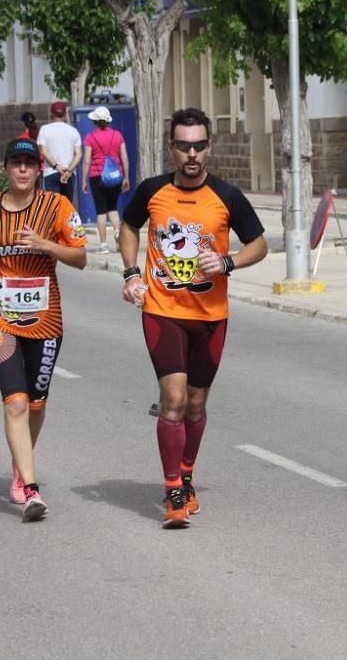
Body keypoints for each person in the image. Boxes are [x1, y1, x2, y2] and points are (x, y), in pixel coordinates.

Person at [120, 108, 268, 529]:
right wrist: (132, 273)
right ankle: (172, 491)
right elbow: (129, 228)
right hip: (162, 311)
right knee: (175, 400)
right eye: (183, 145)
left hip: (210, 316)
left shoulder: (227, 196)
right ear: (171, 148)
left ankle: (186, 473)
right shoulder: (152, 191)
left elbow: (258, 244)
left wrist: (228, 263)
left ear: (209, 148)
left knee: (197, 404)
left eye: (199, 145)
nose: (191, 154)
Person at [0, 138, 88, 521]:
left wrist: (47, 245)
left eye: (29, 164)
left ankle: (21, 466)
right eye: (15, 163)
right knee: (15, 401)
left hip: (45, 320)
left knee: (36, 404)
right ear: (5, 168)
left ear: (39, 170)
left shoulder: (57, 206)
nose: (22, 170)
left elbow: (81, 258)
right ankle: (32, 491)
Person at [81, 105, 130, 254]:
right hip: (115, 176)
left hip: (97, 176)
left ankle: (103, 245)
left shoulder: (90, 137)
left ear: (95, 121)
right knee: (113, 208)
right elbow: (125, 158)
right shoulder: (117, 135)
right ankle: (117, 232)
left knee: (101, 211)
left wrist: (83, 180)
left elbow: (87, 161)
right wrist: (126, 177)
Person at [36, 101, 81, 205]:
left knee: (52, 207)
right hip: (69, 174)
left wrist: (57, 166)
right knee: (66, 207)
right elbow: (78, 154)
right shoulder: (73, 131)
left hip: (51, 172)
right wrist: (69, 170)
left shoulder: (44, 130)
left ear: (51, 114)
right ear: (65, 114)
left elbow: (43, 151)